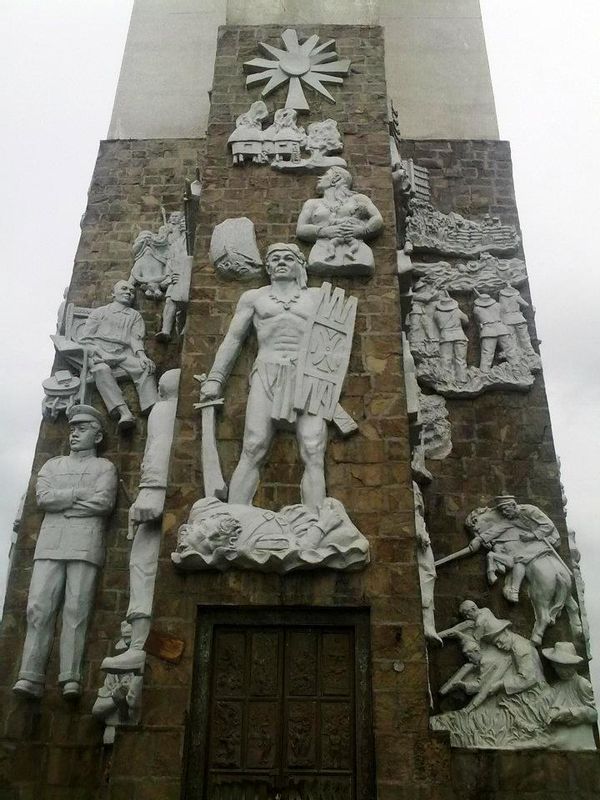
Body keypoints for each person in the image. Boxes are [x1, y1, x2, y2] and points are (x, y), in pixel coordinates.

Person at [199, 244, 336, 510]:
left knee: (313, 448)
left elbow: (335, 342)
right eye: (275, 259)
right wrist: (216, 378)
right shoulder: (254, 298)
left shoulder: (318, 297)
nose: (282, 262)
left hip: (308, 375)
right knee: (253, 445)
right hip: (266, 370)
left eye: (288, 258)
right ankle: (236, 517)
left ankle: (315, 520)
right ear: (268, 266)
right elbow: (234, 339)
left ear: (300, 265)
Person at [13, 405, 118, 699]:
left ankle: (70, 675)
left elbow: (103, 503)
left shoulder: (104, 468)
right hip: (49, 544)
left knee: (76, 610)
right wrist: (78, 498)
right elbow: (44, 498)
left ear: (97, 437)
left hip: (85, 545)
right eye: (73, 429)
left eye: (82, 429)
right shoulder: (52, 467)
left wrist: (65, 502)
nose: (74, 433)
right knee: (38, 609)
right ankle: (30, 674)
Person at [100, 370, 180, 673]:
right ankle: (138, 640)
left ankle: (138, 644)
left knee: (143, 562)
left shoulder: (164, 408)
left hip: (158, 494)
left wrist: (149, 491)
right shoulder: (177, 408)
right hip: (173, 494)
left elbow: (158, 447)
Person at [80, 280, 158, 430]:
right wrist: (101, 353)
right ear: (113, 294)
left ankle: (152, 408)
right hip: (99, 350)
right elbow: (85, 339)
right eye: (124, 289)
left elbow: (135, 339)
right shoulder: (101, 312)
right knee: (101, 370)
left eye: (132, 291)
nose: (129, 292)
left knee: (146, 367)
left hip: (123, 352)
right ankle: (124, 412)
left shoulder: (134, 316)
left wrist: (142, 356)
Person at [296, 167, 383, 275]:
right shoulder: (312, 203)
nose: (319, 177)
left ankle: (350, 253)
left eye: (325, 174)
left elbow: (377, 218)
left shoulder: (358, 199)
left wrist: (363, 230)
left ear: (335, 179)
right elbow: (300, 229)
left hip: (359, 253)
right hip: (322, 252)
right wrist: (323, 231)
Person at [541, 641, 597, 749]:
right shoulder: (556, 687)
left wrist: (571, 712)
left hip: (578, 737)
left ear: (574, 666)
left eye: (567, 667)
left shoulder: (582, 683)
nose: (562, 671)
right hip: (558, 734)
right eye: (559, 667)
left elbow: (594, 714)